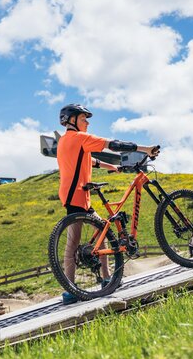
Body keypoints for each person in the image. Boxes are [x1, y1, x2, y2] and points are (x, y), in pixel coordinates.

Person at [57, 104, 160, 304]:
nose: (87, 122)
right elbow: (112, 144)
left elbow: (89, 160)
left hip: (78, 194)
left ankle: (107, 278)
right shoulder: (79, 138)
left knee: (102, 230)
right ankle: (70, 289)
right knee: (73, 242)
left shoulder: (66, 141)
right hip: (75, 194)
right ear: (72, 120)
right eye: (83, 118)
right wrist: (144, 149)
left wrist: (111, 166)